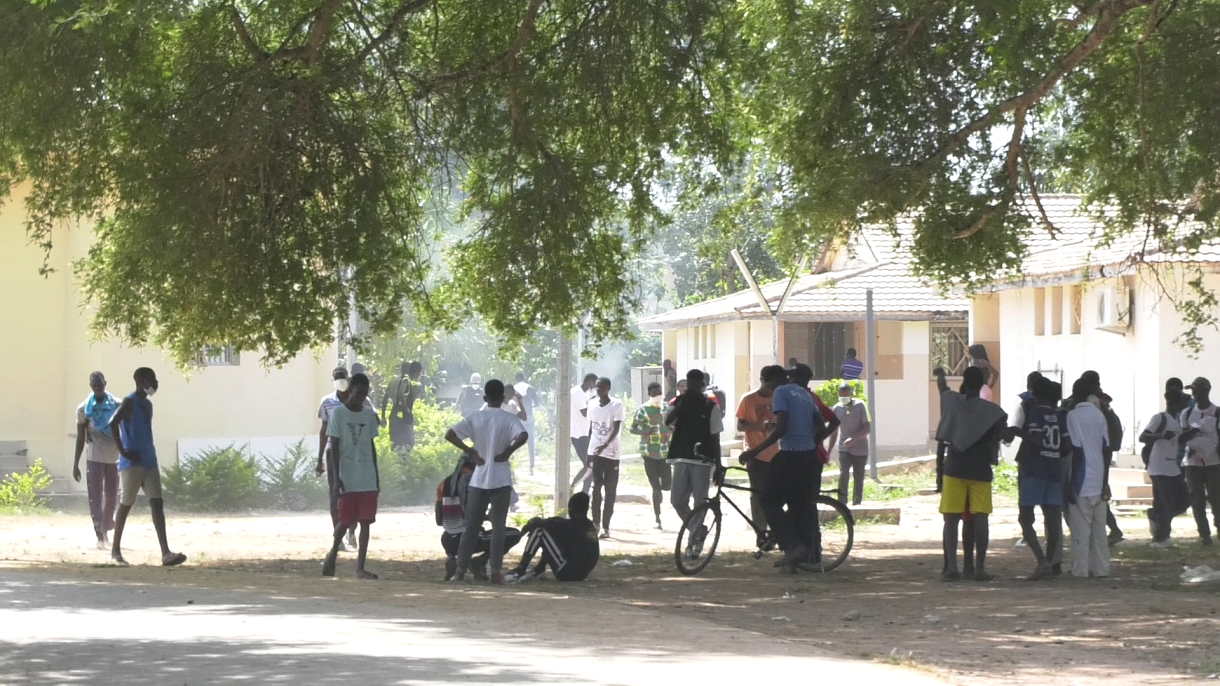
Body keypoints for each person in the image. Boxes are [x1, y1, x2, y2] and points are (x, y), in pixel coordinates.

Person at [739, 365, 824, 573]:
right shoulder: (804, 394)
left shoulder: (781, 392)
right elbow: (821, 427)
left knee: (768, 500)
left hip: (791, 454)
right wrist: (809, 445)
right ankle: (797, 557)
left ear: (772, 381)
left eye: (767, 384)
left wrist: (754, 451)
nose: (766, 388)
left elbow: (782, 427)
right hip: (809, 457)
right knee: (797, 504)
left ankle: (791, 546)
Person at [445, 379, 529, 584]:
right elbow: (523, 435)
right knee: (499, 527)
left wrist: (470, 451)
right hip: (500, 478)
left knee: (471, 526)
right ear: (502, 398)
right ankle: (495, 572)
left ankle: (460, 571)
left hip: (479, 477)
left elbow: (450, 434)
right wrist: (508, 451)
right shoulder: (508, 419)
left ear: (484, 398)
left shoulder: (476, 417)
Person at [107, 368, 186, 567]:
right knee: (126, 504)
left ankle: (166, 553)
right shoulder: (129, 401)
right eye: (153, 380)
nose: (156, 383)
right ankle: (115, 550)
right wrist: (123, 452)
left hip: (149, 460)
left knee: (157, 502)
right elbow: (112, 423)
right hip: (131, 463)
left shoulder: (148, 405)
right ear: (142, 381)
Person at [934, 366, 1006, 582]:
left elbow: (942, 388)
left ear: (964, 380)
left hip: (954, 468)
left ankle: (951, 568)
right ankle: (979, 568)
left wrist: (940, 375)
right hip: (980, 470)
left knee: (951, 520)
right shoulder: (992, 412)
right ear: (983, 382)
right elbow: (1005, 434)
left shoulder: (953, 402)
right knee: (980, 518)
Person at [321, 373, 381, 579]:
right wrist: (337, 477)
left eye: (364, 394)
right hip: (347, 474)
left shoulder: (368, 415)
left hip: (366, 475)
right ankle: (332, 554)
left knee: (366, 521)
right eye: (357, 393)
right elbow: (334, 448)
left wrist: (376, 475)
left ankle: (360, 567)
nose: (360, 398)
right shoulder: (338, 414)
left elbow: (371, 446)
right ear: (349, 391)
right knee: (344, 520)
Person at [1010, 377, 1067, 579]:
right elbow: (1066, 445)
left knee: (1025, 518)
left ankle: (1041, 561)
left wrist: (1017, 431)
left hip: (1034, 469)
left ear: (1035, 394)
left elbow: (1036, 438)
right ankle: (1050, 563)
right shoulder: (1061, 416)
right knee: (1052, 520)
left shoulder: (1035, 413)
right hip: (1054, 470)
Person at [667, 368, 724, 556]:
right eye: (688, 384)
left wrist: (718, 465)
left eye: (694, 384)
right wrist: (681, 402)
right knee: (677, 500)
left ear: (702, 385)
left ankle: (693, 545)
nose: (690, 387)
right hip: (681, 456)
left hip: (703, 460)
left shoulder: (711, 407)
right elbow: (668, 420)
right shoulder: (679, 403)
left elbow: (715, 438)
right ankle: (698, 530)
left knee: (700, 502)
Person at [436, 459, 522, 581]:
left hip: (447, 539)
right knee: (514, 534)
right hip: (471, 538)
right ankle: (480, 561)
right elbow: (478, 517)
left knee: (461, 531)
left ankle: (452, 558)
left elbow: (439, 520)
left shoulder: (444, 483)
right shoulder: (479, 483)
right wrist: (488, 516)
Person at [1065, 377, 1112, 576]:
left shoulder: (1073, 416)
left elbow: (1076, 450)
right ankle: (1102, 569)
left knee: (1081, 531)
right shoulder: (1100, 415)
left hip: (1082, 478)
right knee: (1099, 530)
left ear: (1076, 395)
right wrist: (1105, 481)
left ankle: (1080, 570)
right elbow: (1106, 449)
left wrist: (1071, 482)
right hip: (1099, 475)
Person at [1074, 370, 1126, 545]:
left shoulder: (1092, 402)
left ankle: (1104, 530)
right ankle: (1112, 529)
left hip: (1095, 449)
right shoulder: (1103, 401)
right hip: (1103, 448)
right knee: (1100, 488)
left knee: (1097, 490)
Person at [505, 492, 601, 583]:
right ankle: (540, 569)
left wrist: (531, 523)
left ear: (570, 509)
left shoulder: (569, 525)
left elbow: (542, 523)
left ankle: (521, 569)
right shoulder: (588, 526)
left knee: (540, 532)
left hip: (566, 572)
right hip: (582, 574)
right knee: (553, 537)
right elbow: (557, 524)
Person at [1140, 382, 1191, 547]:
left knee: (1183, 500)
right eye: (1181, 402)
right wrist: (1161, 435)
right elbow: (1143, 437)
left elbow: (1177, 440)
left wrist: (1190, 434)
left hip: (1172, 467)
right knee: (1164, 502)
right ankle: (1161, 537)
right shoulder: (1159, 418)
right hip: (1159, 466)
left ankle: (1157, 519)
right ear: (1173, 403)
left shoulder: (1177, 418)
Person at [73, 371, 120, 550]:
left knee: (112, 496)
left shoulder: (117, 405)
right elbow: (79, 438)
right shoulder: (84, 409)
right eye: (95, 386)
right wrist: (75, 463)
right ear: (91, 387)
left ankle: (107, 526)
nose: (98, 389)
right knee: (96, 497)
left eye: (101, 385)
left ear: (105, 384)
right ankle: (100, 534)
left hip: (113, 457)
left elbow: (126, 429)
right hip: (94, 457)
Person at [736, 372, 780, 545]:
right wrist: (759, 426)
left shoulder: (779, 398)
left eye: (772, 386)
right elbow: (740, 425)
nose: (769, 389)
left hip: (776, 454)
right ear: (761, 380)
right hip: (755, 453)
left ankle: (774, 531)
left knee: (774, 495)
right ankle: (760, 533)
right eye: (767, 384)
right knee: (757, 495)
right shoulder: (748, 399)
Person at [1178, 377, 1220, 545]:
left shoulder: (1217, 412)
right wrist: (1193, 432)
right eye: (1192, 390)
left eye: (1197, 390)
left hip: (1213, 462)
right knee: (1196, 499)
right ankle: (1204, 534)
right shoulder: (1187, 413)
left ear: (1206, 390)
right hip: (1193, 463)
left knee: (1216, 498)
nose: (1194, 393)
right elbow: (1180, 438)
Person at [586, 377, 625, 539]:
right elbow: (591, 427)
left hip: (612, 453)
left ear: (608, 388)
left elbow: (616, 428)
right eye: (597, 387)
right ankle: (596, 523)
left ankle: (606, 526)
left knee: (610, 491)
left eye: (602, 387)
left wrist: (606, 444)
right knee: (596, 488)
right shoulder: (592, 404)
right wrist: (589, 451)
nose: (599, 390)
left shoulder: (616, 405)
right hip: (595, 452)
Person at [630, 382, 672, 530]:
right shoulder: (643, 409)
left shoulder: (668, 408)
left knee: (667, 484)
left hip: (665, 451)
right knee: (655, 487)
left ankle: (660, 492)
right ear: (649, 394)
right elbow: (632, 428)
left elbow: (674, 424)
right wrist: (645, 433)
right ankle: (657, 517)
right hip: (649, 452)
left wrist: (671, 430)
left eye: (659, 392)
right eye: (654, 393)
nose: (657, 395)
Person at [829, 382, 870, 506]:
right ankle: (842, 503)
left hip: (861, 449)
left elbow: (868, 428)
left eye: (846, 395)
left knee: (858, 477)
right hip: (844, 448)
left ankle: (857, 503)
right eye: (841, 395)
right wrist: (829, 450)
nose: (844, 398)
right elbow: (834, 431)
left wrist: (854, 438)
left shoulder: (860, 405)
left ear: (851, 394)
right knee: (844, 474)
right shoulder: (837, 408)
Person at [569, 373, 599, 494]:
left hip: (584, 433)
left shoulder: (582, 393)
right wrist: (593, 402)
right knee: (589, 466)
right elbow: (585, 413)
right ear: (591, 382)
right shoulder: (577, 393)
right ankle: (571, 489)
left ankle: (584, 494)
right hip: (579, 434)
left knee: (591, 466)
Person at [383, 361, 422, 451]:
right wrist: (406, 409)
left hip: (394, 413)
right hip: (402, 414)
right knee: (409, 443)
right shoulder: (406, 381)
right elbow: (401, 392)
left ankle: (397, 463)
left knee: (396, 443)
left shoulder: (393, 381)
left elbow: (385, 398)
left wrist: (383, 416)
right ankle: (404, 463)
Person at [513, 372, 546, 475]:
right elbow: (536, 403)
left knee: (512, 442)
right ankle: (531, 467)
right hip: (529, 417)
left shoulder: (513, 389)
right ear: (525, 378)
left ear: (516, 379)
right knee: (531, 443)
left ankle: (512, 467)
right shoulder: (530, 388)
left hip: (518, 419)